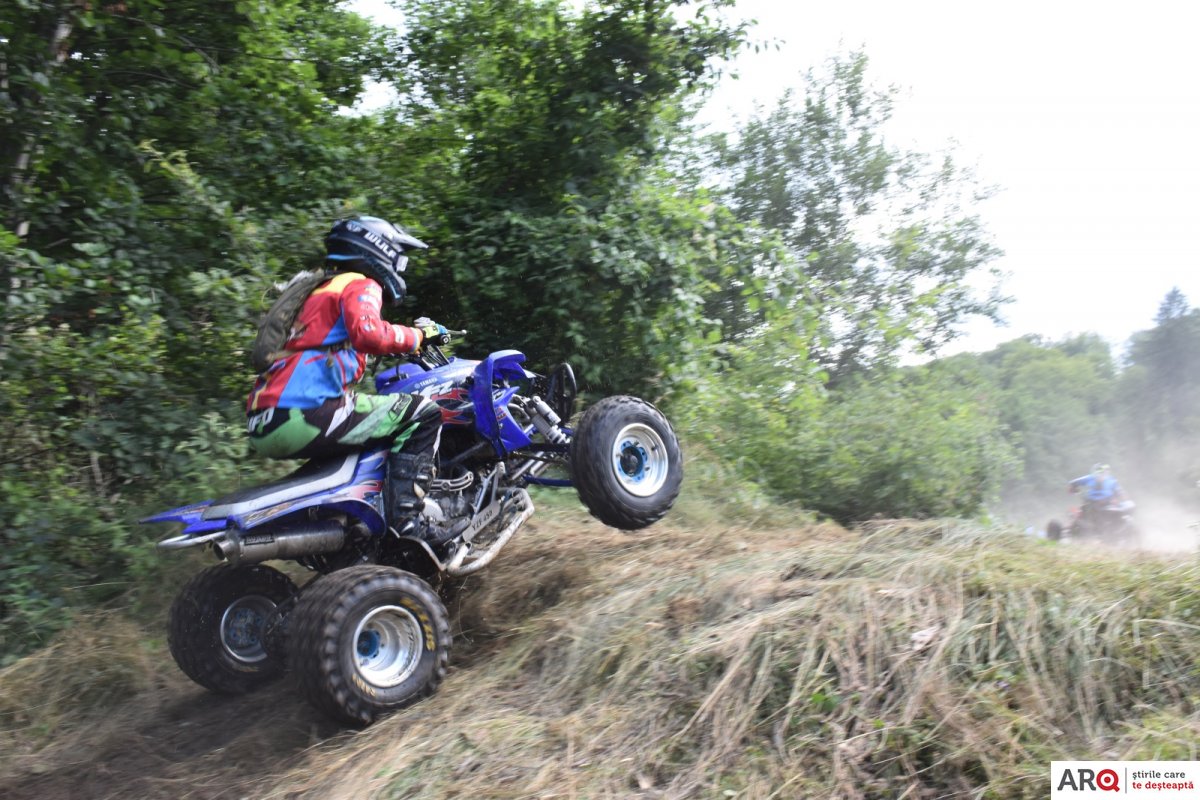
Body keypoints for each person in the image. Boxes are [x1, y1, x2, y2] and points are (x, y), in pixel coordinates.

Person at [245, 216, 452, 541]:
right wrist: (418, 336)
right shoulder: (359, 283)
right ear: (379, 250)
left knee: (371, 424)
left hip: (265, 420)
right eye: (400, 259)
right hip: (305, 412)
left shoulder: (316, 290)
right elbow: (369, 333)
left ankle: (351, 521)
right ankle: (408, 523)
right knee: (424, 413)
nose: (400, 267)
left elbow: (327, 344)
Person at [1068, 463, 1126, 532]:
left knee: (1115, 512)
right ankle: (1074, 527)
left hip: (1107, 503)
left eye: (1101, 473)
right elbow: (1073, 483)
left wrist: (1119, 497)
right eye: (1098, 473)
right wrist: (1073, 487)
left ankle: (1106, 529)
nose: (1099, 475)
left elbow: (1120, 492)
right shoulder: (1090, 478)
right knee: (1081, 512)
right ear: (1094, 473)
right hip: (1091, 503)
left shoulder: (1111, 480)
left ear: (1105, 473)